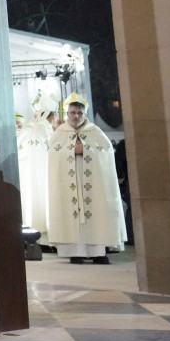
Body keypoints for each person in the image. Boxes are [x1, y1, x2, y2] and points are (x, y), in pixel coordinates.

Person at [45, 93, 127, 264]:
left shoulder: (95, 132)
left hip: (94, 187)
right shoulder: (59, 134)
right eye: (73, 112)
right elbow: (53, 155)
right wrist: (71, 150)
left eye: (79, 113)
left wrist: (87, 149)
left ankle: (98, 252)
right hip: (69, 187)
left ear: (85, 114)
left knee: (96, 213)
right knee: (71, 215)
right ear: (67, 114)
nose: (76, 116)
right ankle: (76, 252)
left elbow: (106, 154)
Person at [16, 92, 58, 240]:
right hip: (44, 173)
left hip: (32, 174)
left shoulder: (32, 127)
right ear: (51, 116)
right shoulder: (42, 127)